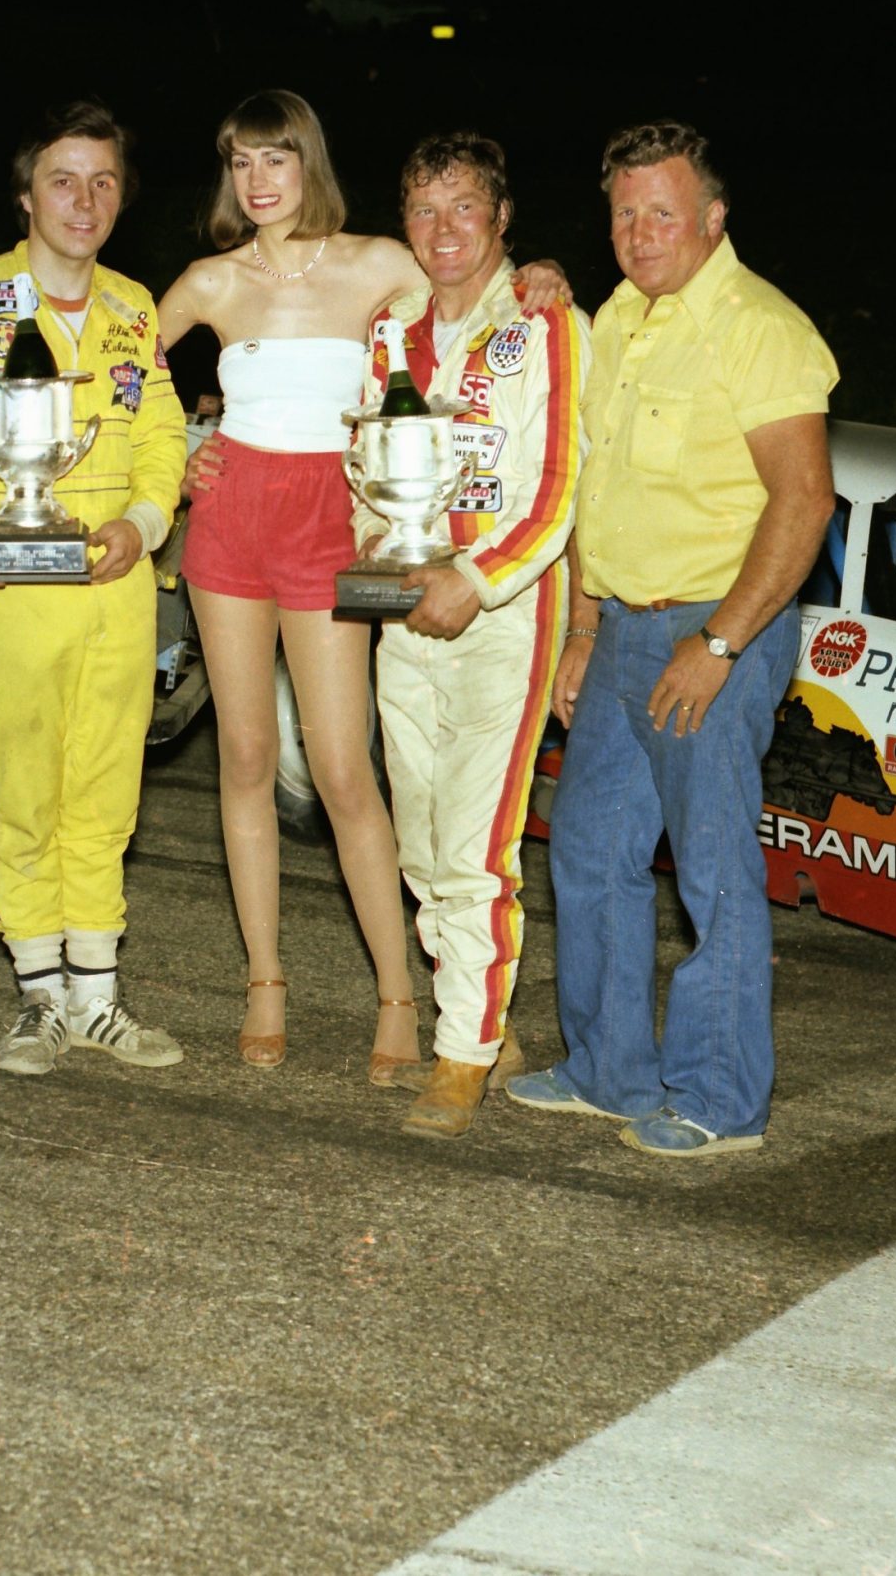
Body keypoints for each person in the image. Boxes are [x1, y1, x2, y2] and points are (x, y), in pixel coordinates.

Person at [157, 90, 564, 1076]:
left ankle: (397, 994)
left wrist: (543, 273)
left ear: (309, 165)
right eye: (240, 163)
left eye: (276, 161)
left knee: (344, 770)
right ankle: (265, 983)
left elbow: (473, 290)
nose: (258, 182)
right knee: (245, 760)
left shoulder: (378, 261)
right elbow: (114, 370)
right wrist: (171, 453)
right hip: (229, 528)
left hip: (331, 522)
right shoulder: (211, 279)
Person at [512, 121, 837, 1156]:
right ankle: (609, 1071)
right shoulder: (617, 316)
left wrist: (727, 642)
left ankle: (718, 1097)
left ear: (711, 216)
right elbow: (598, 493)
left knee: (710, 874)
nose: (641, 231)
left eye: (662, 210)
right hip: (619, 630)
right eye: (623, 213)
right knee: (594, 855)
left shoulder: (758, 327)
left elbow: (804, 498)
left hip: (710, 632)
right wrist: (579, 633)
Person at [0, 103, 189, 1075]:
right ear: (26, 195)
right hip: (6, 587)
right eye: (64, 179)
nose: (84, 200)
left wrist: (140, 528)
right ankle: (38, 997)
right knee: (24, 792)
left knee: (106, 793)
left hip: (114, 586)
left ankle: (97, 997)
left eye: (103, 182)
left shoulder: (134, 309)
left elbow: (161, 437)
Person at [358, 133, 589, 1140]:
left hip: (503, 613)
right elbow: (358, 461)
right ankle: (479, 1013)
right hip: (402, 609)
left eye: (463, 209)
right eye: (423, 210)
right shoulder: (390, 329)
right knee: (418, 840)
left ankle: (460, 1056)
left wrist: (477, 576)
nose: (442, 229)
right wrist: (381, 549)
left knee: (476, 843)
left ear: (501, 219)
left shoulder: (542, 321)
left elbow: (558, 490)